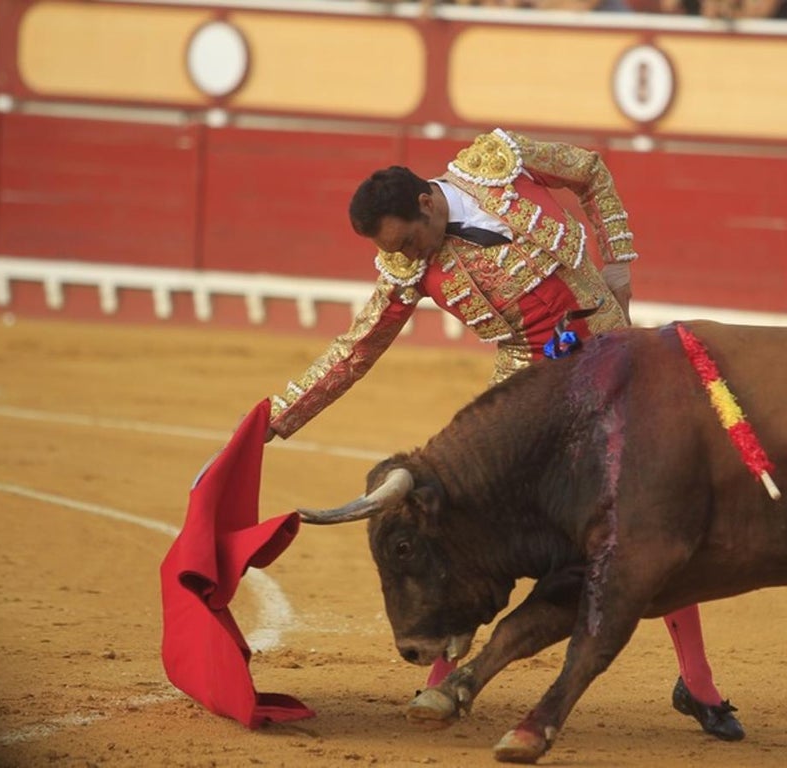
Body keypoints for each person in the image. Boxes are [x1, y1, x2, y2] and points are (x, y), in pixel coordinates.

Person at [266, 128, 745, 741]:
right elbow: (355, 349)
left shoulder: (497, 164)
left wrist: (619, 257)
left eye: (410, 241)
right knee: (470, 523)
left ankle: (697, 682)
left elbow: (591, 171)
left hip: (614, 362)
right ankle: (443, 673)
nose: (408, 257)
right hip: (528, 396)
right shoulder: (406, 268)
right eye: (398, 252)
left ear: (425, 203)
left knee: (651, 514)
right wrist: (278, 416)